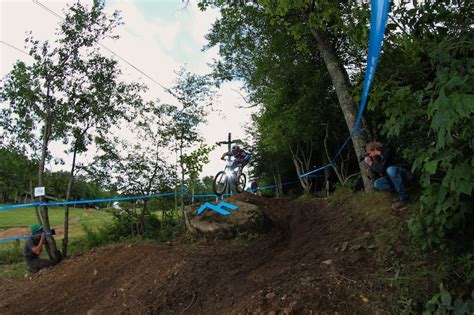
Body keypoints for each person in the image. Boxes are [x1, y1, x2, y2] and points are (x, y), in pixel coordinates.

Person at [363, 142, 411, 210]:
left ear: (374, 149)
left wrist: (370, 163)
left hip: (405, 174)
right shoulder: (378, 157)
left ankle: (404, 199)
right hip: (395, 178)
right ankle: (401, 192)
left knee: (390, 170)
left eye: (369, 153)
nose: (369, 155)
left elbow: (381, 168)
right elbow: (379, 171)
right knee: (377, 183)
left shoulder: (387, 151)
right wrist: (373, 162)